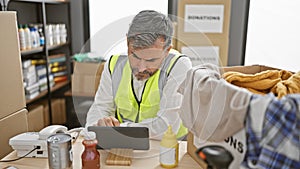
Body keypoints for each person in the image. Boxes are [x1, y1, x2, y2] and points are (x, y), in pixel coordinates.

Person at [85, 10, 192, 140]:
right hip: (123, 144)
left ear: (167, 51)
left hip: (169, 147)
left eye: (151, 60)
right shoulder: (113, 64)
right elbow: (100, 107)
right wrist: (97, 125)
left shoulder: (179, 65)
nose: (141, 68)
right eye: (135, 56)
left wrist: (119, 129)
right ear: (127, 42)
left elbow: (167, 126)